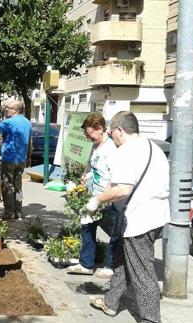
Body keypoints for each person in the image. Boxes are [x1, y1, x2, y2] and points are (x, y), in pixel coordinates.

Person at [87, 111, 169, 323]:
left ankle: (150, 318)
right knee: (123, 260)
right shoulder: (153, 148)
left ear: (121, 130)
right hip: (156, 216)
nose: (111, 136)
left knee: (142, 273)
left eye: (112, 131)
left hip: (139, 220)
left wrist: (98, 199)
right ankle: (111, 301)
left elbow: (122, 188)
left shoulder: (127, 151)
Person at [67, 113, 119, 278]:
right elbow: (93, 166)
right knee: (87, 225)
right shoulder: (97, 146)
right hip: (95, 196)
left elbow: (115, 175)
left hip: (109, 198)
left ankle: (112, 266)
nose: (88, 138)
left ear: (100, 129)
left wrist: (106, 195)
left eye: (90, 134)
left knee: (116, 232)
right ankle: (86, 263)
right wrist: (87, 176)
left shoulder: (110, 149)